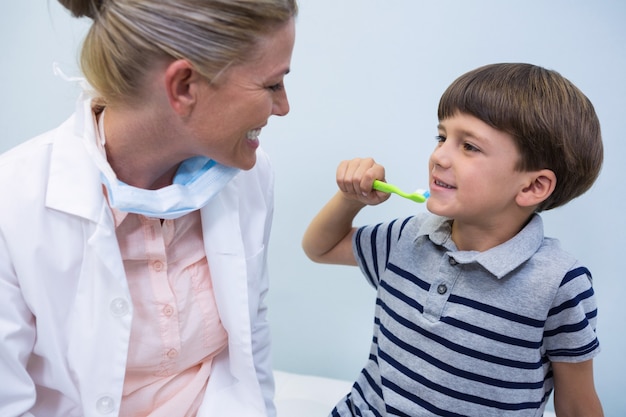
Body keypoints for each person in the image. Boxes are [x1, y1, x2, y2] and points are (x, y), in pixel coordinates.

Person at [0, 0, 297, 416]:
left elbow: (250, 343)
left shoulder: (248, 175)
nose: (283, 106)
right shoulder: (12, 204)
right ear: (184, 86)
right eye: (271, 85)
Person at [302, 63, 604, 416]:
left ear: (533, 186)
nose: (439, 156)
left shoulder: (559, 284)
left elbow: (577, 405)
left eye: (470, 146)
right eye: (442, 137)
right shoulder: (409, 236)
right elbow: (319, 248)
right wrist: (351, 199)